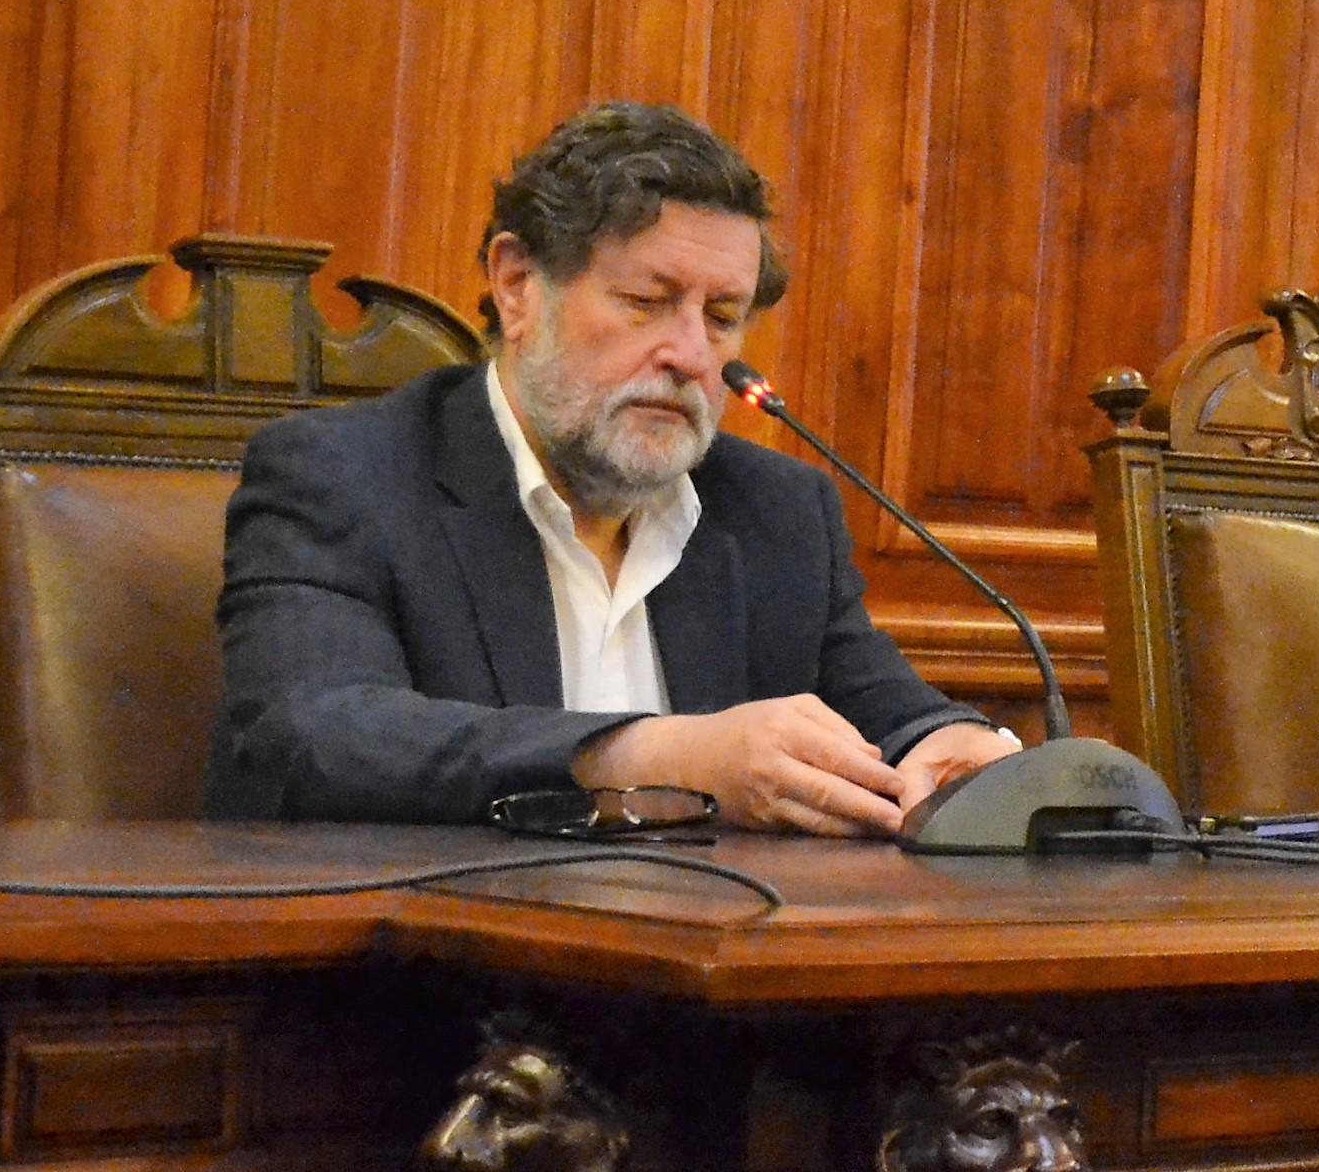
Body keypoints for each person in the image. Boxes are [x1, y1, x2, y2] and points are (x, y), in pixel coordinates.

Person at [207, 103, 1024, 830]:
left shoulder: (773, 509)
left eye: (723, 316)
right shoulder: (343, 476)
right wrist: (657, 756)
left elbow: (887, 709)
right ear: (519, 285)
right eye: (645, 302)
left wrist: (947, 745)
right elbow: (310, 734)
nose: (690, 354)